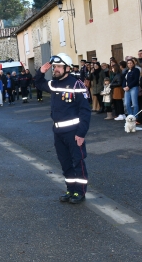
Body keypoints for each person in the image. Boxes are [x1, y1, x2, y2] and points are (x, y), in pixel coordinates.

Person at [34, 53, 91, 204]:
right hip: (58, 132)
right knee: (65, 163)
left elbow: (85, 111)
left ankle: (80, 192)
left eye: (59, 67)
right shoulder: (54, 83)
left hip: (74, 132)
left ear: (67, 68)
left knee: (77, 162)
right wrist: (41, 71)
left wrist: (81, 133)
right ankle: (70, 189)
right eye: (54, 67)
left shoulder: (76, 84)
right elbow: (38, 84)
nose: (55, 69)